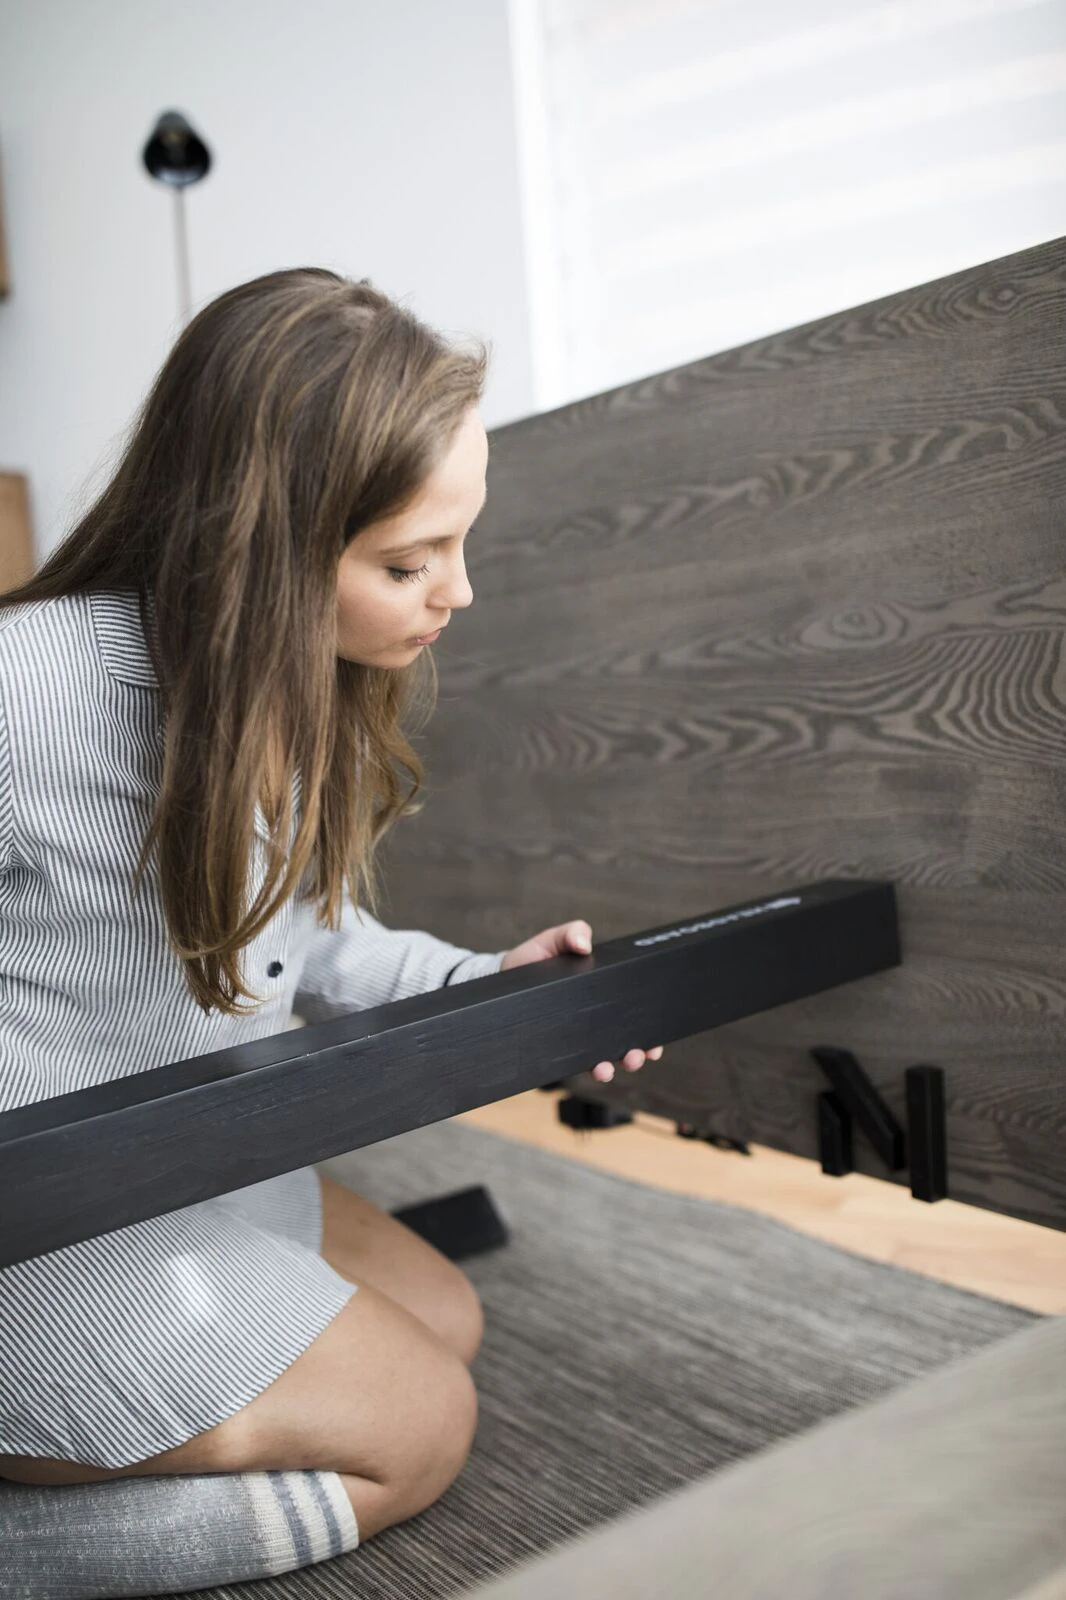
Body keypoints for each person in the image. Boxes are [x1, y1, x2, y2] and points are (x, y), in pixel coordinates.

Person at [0, 268, 663, 1544]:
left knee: (447, 1321)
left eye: (457, 545)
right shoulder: (27, 692)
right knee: (418, 1432)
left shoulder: (288, 688)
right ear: (262, 552)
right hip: (43, 1217)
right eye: (410, 561)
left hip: (188, 1164)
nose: (457, 592)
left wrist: (495, 985)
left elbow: (308, 942)